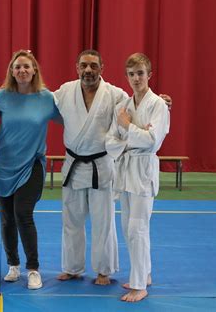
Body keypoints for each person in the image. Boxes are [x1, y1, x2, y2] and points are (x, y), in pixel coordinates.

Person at [53, 49, 172, 286]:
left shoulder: (115, 94)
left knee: (104, 222)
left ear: (102, 69)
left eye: (93, 66)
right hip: (74, 165)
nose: (88, 70)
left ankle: (103, 270)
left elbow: (139, 103)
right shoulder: (65, 91)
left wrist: (163, 102)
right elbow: (40, 101)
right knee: (71, 220)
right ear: (77, 67)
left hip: (102, 166)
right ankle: (72, 267)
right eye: (84, 66)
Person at [0, 50, 61, 290]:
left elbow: (76, 117)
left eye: (26, 66)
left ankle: (33, 269)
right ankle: (13, 265)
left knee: (23, 214)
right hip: (1, 166)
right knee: (7, 219)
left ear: (34, 69)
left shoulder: (47, 98)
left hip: (31, 165)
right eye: (17, 67)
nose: (22, 70)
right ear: (12, 71)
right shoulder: (2, 96)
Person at [106, 53, 169, 302]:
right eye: (131, 74)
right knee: (127, 227)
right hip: (125, 169)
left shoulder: (158, 105)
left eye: (140, 73)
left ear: (149, 74)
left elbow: (153, 140)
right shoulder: (125, 107)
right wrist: (133, 136)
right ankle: (146, 273)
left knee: (138, 228)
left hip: (143, 171)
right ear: (126, 76)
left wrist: (128, 128)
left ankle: (139, 284)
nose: (136, 78)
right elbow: (110, 141)